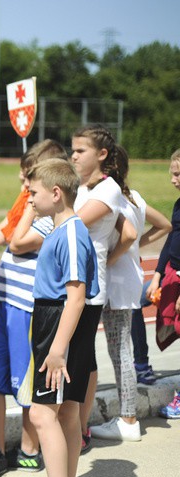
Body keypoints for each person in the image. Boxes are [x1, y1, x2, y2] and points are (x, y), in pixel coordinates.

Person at [17, 158, 98, 477]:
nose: (29, 199)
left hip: (59, 325)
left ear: (55, 192)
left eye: (33, 192)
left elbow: (77, 297)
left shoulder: (69, 233)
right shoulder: (62, 229)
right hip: (57, 322)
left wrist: (57, 347)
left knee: (42, 413)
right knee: (64, 413)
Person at [0, 139, 68, 477]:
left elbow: (16, 241)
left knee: (27, 385)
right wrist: (26, 199)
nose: (24, 189)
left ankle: (30, 450)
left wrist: (29, 203)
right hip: (6, 300)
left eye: (30, 182)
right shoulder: (30, 205)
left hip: (27, 306)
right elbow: (2, 234)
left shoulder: (51, 219)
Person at [90, 146, 170, 441]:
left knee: (120, 350)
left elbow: (130, 235)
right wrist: (136, 248)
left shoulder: (115, 200)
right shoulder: (134, 197)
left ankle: (128, 418)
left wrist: (114, 255)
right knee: (121, 349)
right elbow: (165, 225)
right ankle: (128, 416)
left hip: (114, 282)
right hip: (129, 279)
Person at [71, 126, 136, 453]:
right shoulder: (85, 186)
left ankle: (80, 428)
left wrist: (107, 260)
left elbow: (73, 223)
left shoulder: (108, 189)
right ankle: (75, 427)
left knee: (82, 358)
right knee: (76, 356)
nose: (73, 156)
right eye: (72, 150)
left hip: (88, 284)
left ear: (102, 154)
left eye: (80, 150)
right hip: (72, 280)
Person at [154, 149, 180, 418]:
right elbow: (170, 243)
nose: (173, 179)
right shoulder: (178, 205)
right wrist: (157, 274)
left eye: (178, 174)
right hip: (173, 274)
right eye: (172, 173)